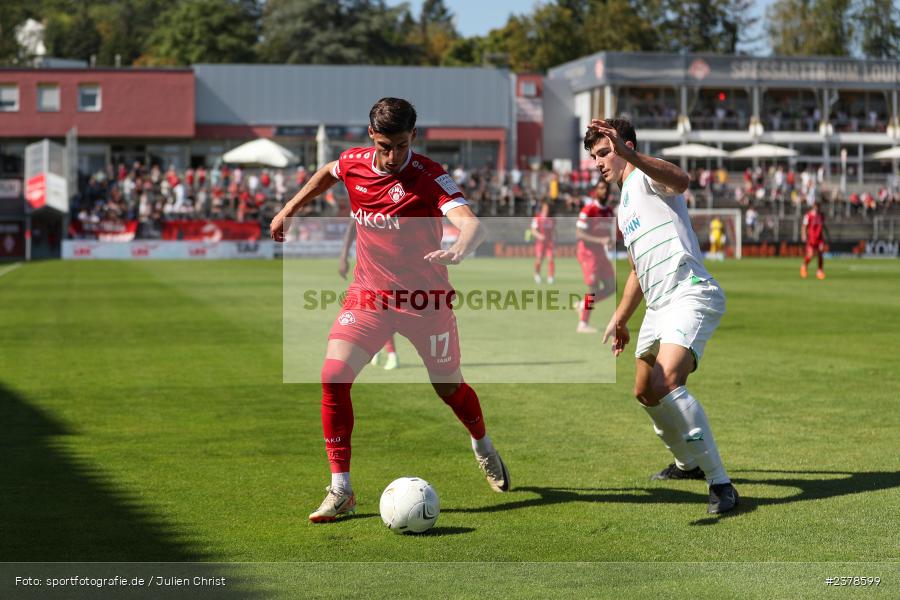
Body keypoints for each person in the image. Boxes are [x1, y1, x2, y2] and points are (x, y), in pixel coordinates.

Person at [270, 98, 510, 523]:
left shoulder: (430, 176)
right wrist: (289, 209)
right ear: (370, 136)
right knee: (333, 377)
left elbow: (473, 224)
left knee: (448, 389)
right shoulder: (355, 162)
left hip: (425, 303)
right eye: (385, 145)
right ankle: (341, 489)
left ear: (413, 137)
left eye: (401, 145)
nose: (393, 155)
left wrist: (458, 247)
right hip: (370, 297)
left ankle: (483, 445)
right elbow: (328, 172)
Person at [587, 117, 738, 515]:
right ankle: (686, 464)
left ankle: (721, 484)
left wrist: (630, 155)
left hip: (689, 291)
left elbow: (682, 180)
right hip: (658, 306)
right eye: (595, 156)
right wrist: (620, 317)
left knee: (667, 381)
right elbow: (637, 270)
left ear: (626, 145)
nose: (600, 162)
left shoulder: (645, 176)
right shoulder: (623, 208)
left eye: (605, 152)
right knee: (644, 391)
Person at [338, 219, 400, 370]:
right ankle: (382, 352)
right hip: (369, 267)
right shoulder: (362, 199)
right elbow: (353, 225)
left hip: (393, 266)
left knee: (384, 311)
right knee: (374, 310)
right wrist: (343, 257)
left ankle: (388, 353)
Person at [574, 181, 616, 334]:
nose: (603, 191)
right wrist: (601, 240)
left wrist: (610, 242)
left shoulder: (609, 212)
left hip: (600, 252)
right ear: (595, 191)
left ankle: (582, 305)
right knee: (593, 288)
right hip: (587, 253)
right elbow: (579, 233)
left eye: (606, 188)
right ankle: (583, 324)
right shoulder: (589, 210)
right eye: (601, 188)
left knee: (612, 287)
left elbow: (607, 233)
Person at [531, 201, 556, 284]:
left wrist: (554, 239)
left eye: (548, 208)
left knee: (551, 259)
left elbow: (554, 231)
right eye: (545, 208)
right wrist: (539, 236)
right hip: (540, 243)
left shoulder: (551, 219)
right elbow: (533, 230)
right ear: (542, 208)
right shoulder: (537, 218)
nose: (546, 209)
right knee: (539, 260)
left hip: (549, 243)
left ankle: (550, 277)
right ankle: (537, 274)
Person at [801, 202, 827, 280]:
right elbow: (804, 226)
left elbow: (822, 226)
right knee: (810, 254)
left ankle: (819, 271)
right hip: (811, 238)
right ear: (813, 207)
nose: (817, 208)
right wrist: (804, 235)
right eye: (816, 206)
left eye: (818, 207)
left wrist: (824, 235)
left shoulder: (821, 216)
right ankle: (804, 266)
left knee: (820, 253)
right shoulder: (808, 215)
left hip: (820, 238)